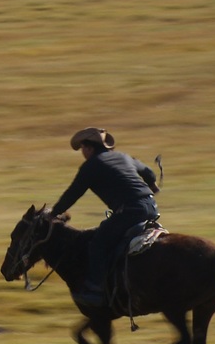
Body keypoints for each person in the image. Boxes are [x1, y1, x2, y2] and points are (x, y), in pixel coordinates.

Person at [50, 127, 160, 307]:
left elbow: (73, 194)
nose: (82, 153)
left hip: (130, 211)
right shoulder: (124, 157)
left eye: (82, 149)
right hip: (151, 206)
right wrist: (153, 186)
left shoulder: (91, 166)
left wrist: (54, 213)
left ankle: (96, 289)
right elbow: (148, 172)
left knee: (98, 244)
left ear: (89, 148)